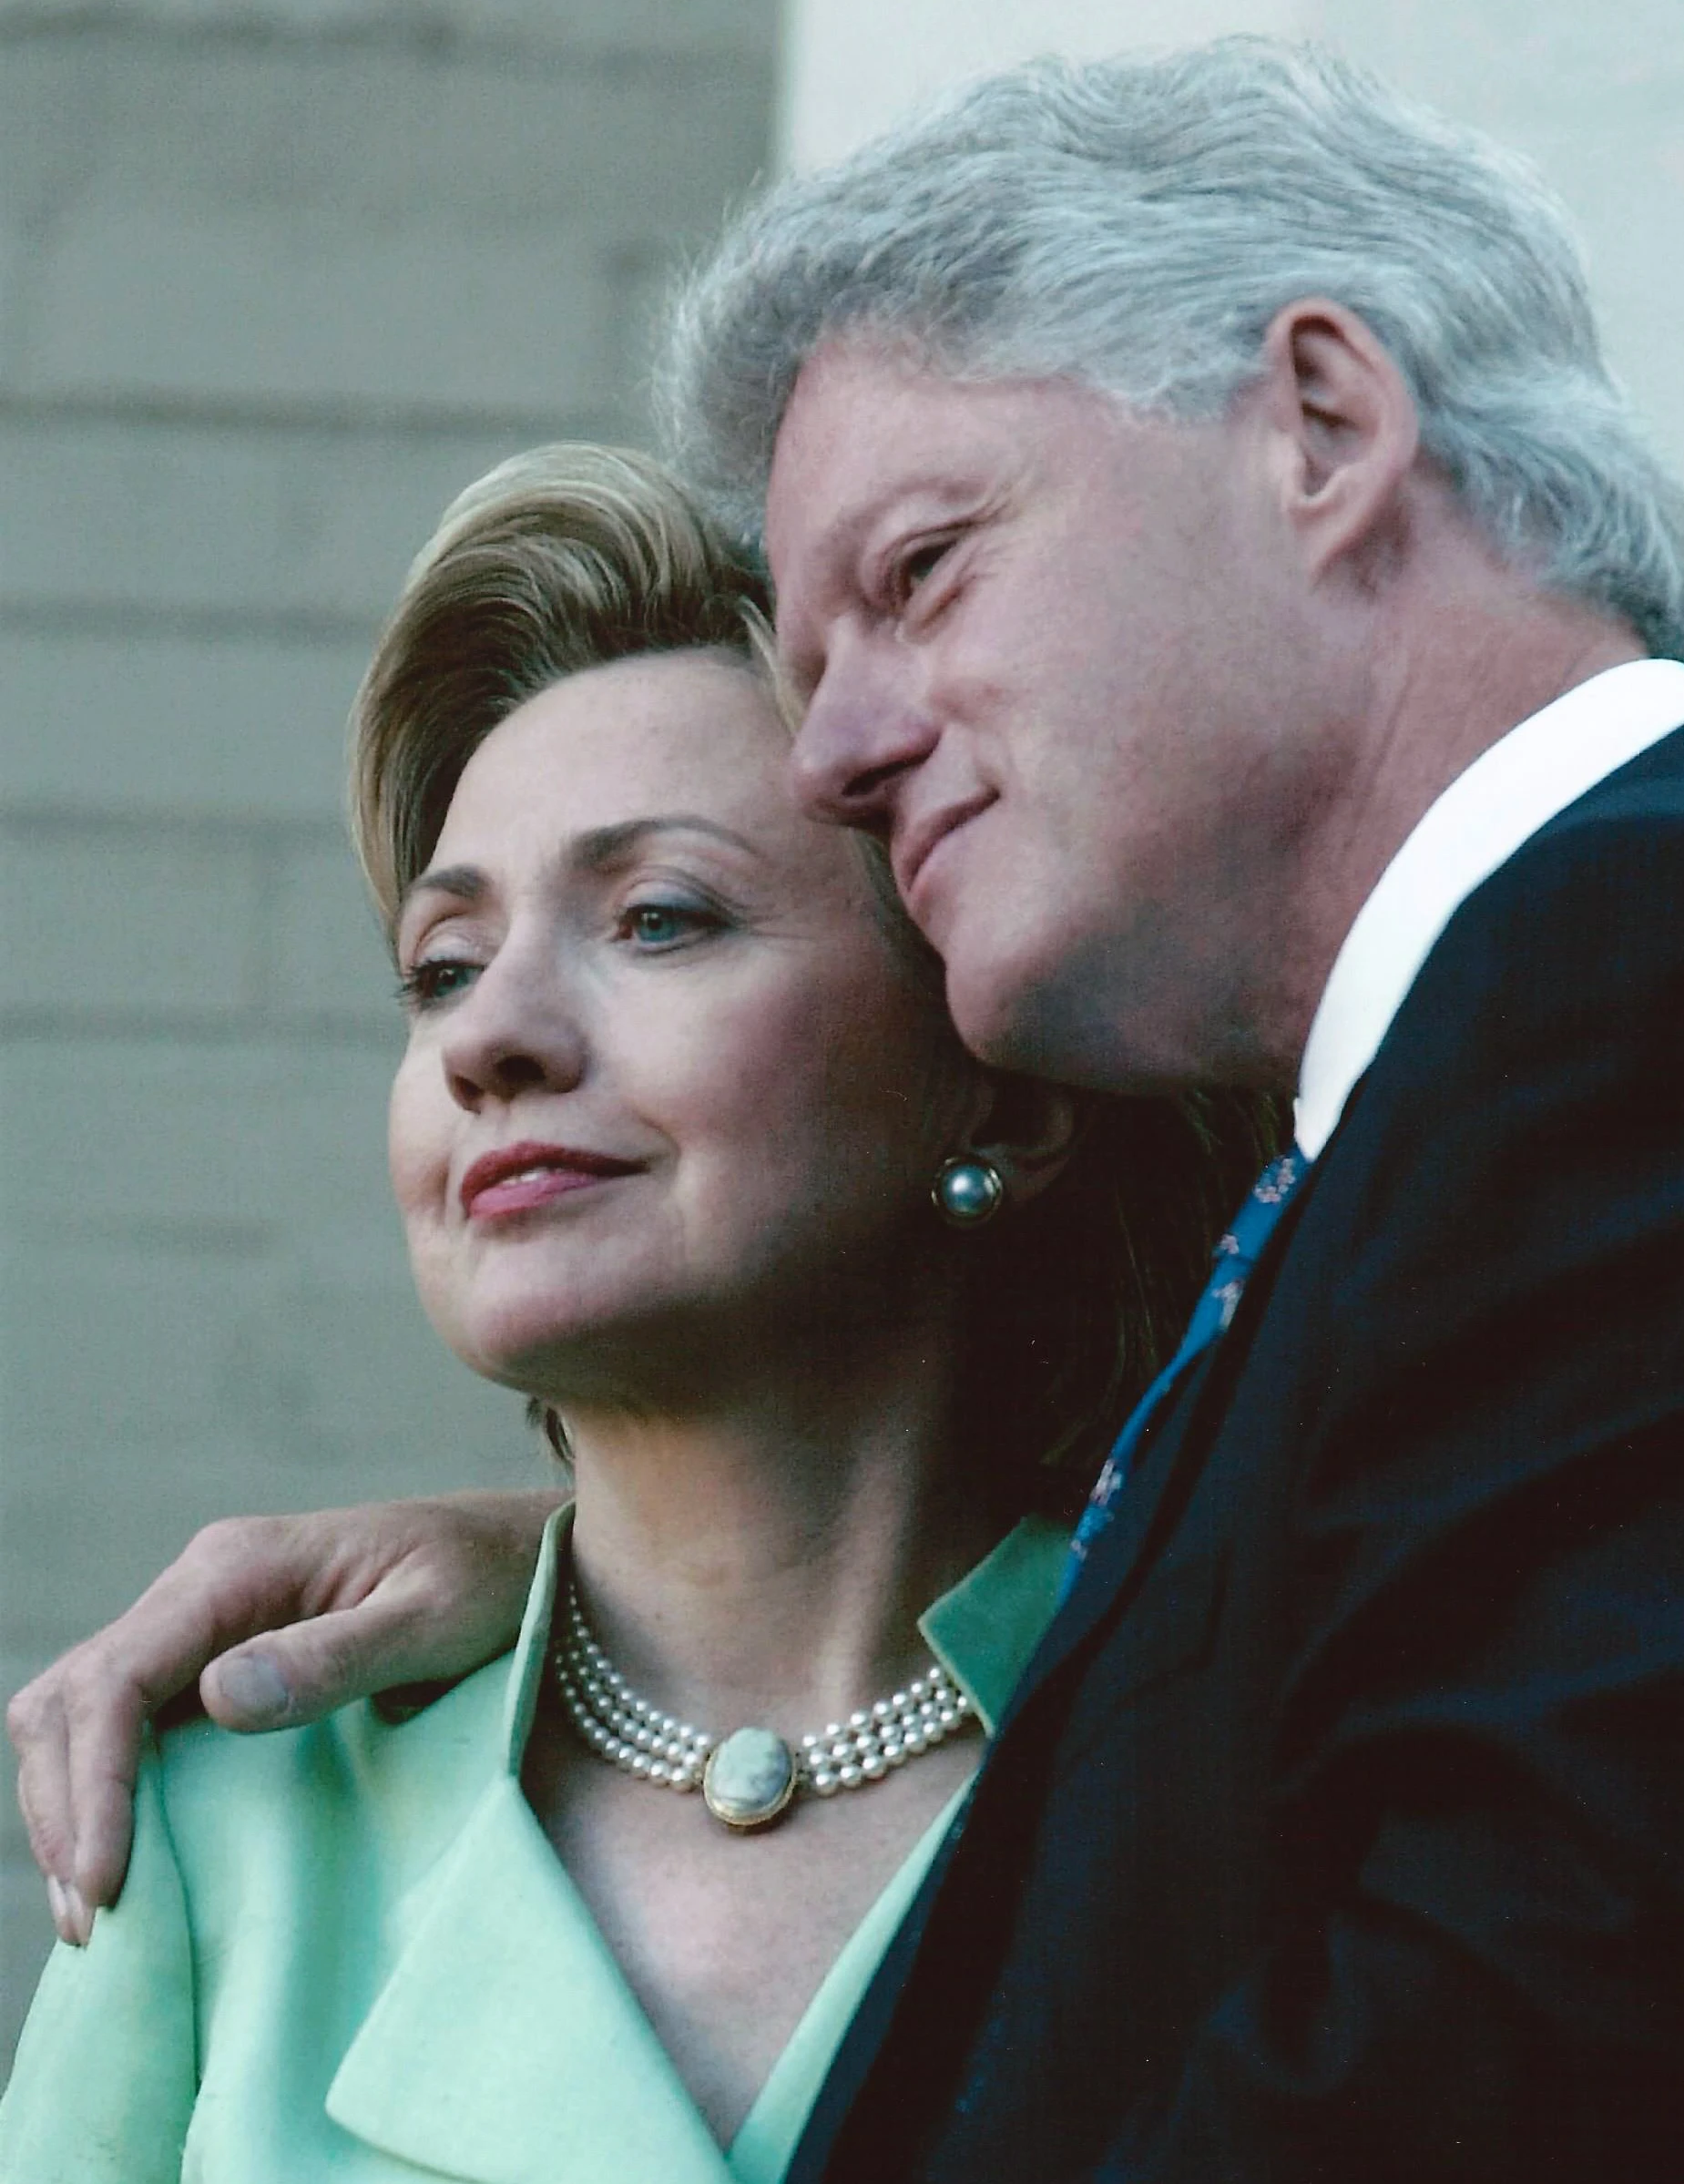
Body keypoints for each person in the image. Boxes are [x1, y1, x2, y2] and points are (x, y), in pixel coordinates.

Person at [13, 36, 1684, 2181]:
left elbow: (1508, 2019)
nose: (847, 752)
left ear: (1326, 427)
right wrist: (607, 1589)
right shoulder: (1427, 1159)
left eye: (921, 570)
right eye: (435, 963)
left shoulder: (1598, 1003)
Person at [0, 444, 1264, 2180]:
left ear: (1005, 1085)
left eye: (658, 918)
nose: (486, 1037)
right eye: (442, 963)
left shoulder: (1264, 1769)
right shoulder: (237, 1844)